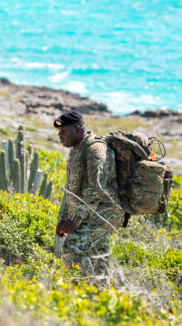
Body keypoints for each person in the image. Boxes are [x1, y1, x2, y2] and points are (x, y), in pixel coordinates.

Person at [54, 110, 124, 284]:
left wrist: (75, 220)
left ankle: (82, 290)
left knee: (72, 248)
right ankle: (101, 296)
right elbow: (69, 189)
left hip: (104, 213)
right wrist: (62, 219)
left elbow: (95, 190)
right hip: (90, 213)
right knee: (99, 258)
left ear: (78, 129)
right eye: (59, 131)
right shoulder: (76, 149)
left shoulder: (95, 150)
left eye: (64, 131)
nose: (59, 135)